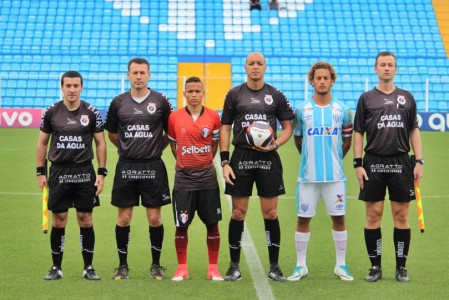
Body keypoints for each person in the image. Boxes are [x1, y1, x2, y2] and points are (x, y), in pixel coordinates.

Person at [220, 52, 294, 282]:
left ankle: (274, 266)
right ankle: (234, 266)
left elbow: (288, 127)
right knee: (238, 212)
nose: (255, 67)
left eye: (259, 64)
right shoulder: (234, 94)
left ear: (265, 67)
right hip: (241, 157)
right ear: (245, 67)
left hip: (268, 159)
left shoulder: (276, 95)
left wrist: (276, 144)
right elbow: (225, 127)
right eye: (251, 63)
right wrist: (224, 161)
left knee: (270, 212)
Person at [353, 51, 424, 283]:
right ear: (375, 69)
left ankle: (401, 266)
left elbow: (414, 129)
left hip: (401, 162)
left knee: (401, 215)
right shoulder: (366, 99)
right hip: (373, 162)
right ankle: (375, 266)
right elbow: (358, 133)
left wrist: (419, 161)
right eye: (382, 64)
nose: (386, 68)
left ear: (395, 69)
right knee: (373, 215)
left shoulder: (407, 97)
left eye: (390, 65)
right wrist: (358, 164)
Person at [104, 57, 172, 280]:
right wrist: (126, 149)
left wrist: (155, 149)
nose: (138, 76)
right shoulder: (118, 102)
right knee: (123, 218)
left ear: (149, 75)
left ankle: (156, 265)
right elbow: (112, 133)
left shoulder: (161, 101)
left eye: (142, 73)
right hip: (127, 166)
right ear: (128, 75)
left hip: (153, 166)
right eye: (134, 73)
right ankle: (122, 266)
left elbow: (169, 133)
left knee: (154, 217)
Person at [36, 71, 107, 281]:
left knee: (85, 219)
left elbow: (100, 143)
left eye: (76, 86)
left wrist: (101, 172)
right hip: (59, 172)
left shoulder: (92, 112)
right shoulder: (51, 112)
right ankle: (56, 268)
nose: (72, 90)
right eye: (68, 86)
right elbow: (42, 143)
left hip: (85, 172)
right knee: (59, 220)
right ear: (62, 87)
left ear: (81, 87)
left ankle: (89, 268)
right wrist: (41, 172)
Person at [287, 62, 354, 282]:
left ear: (332, 80)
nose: (322, 81)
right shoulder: (301, 110)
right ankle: (300, 265)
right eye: (318, 78)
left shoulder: (342, 110)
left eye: (326, 78)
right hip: (308, 177)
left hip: (335, 177)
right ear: (312, 81)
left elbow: (346, 141)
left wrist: (333, 158)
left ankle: (341, 265)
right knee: (303, 219)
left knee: (339, 218)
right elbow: (298, 139)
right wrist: (310, 158)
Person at [167, 76, 223, 281]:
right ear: (184, 94)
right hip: (183, 180)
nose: (193, 95)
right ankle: (182, 267)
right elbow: (174, 146)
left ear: (203, 93)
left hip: (207, 179)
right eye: (189, 91)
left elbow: (214, 146)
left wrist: (203, 160)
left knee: (212, 223)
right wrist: (185, 162)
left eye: (197, 91)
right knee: (181, 225)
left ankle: (213, 268)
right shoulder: (174, 117)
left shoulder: (213, 117)